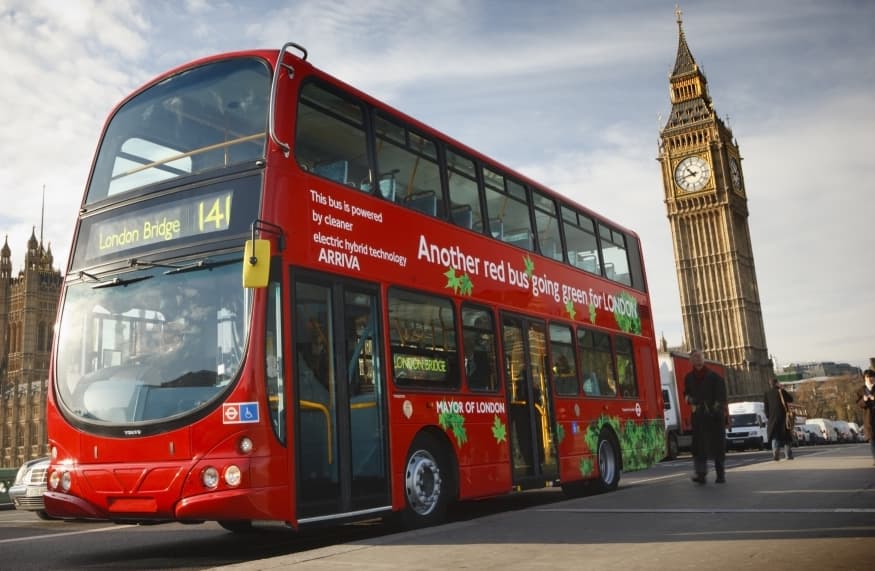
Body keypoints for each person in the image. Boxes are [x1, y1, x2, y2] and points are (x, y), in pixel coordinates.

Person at [684, 348, 728, 484]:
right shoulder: (688, 377)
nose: (698, 359)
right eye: (695, 357)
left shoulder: (714, 377)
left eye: (699, 356)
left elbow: (721, 397)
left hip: (714, 418)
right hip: (698, 417)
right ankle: (701, 474)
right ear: (691, 360)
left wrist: (714, 408)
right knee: (698, 447)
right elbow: (685, 394)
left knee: (717, 446)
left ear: (703, 359)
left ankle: (720, 474)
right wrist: (689, 399)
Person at [764, 377, 794, 461]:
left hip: (772, 419)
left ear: (770, 384)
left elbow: (766, 407)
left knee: (775, 436)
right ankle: (788, 455)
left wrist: (769, 417)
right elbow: (791, 399)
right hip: (783, 417)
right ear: (777, 383)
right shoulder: (781, 391)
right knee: (786, 437)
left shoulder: (767, 393)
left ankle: (775, 452)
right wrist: (782, 389)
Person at [855, 369, 875, 466]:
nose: (870, 379)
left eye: (872, 376)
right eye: (868, 377)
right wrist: (864, 400)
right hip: (869, 418)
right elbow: (858, 404)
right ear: (865, 378)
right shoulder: (860, 390)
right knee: (872, 440)